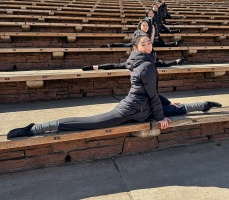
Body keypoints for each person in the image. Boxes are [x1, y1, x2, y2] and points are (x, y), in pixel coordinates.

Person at [7, 31, 222, 139]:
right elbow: (152, 95)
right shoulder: (145, 65)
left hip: (144, 108)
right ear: (137, 47)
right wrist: (160, 118)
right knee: (90, 123)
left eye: (149, 41)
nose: (148, 44)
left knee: (175, 109)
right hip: (131, 109)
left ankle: (205, 104)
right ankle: (35, 129)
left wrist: (164, 107)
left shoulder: (146, 61)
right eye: (143, 42)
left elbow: (153, 93)